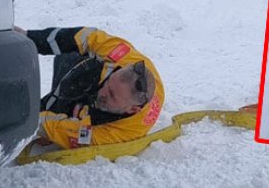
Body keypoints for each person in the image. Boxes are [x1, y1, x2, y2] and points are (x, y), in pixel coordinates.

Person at [24, 26, 164, 149]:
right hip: (93, 72)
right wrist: (30, 38)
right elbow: (86, 36)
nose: (102, 92)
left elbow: (75, 134)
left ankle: (50, 108)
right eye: (108, 84)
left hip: (101, 119)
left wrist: (27, 123)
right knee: (72, 53)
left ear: (132, 109)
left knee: (59, 122)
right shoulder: (126, 57)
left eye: (111, 95)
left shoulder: (118, 133)